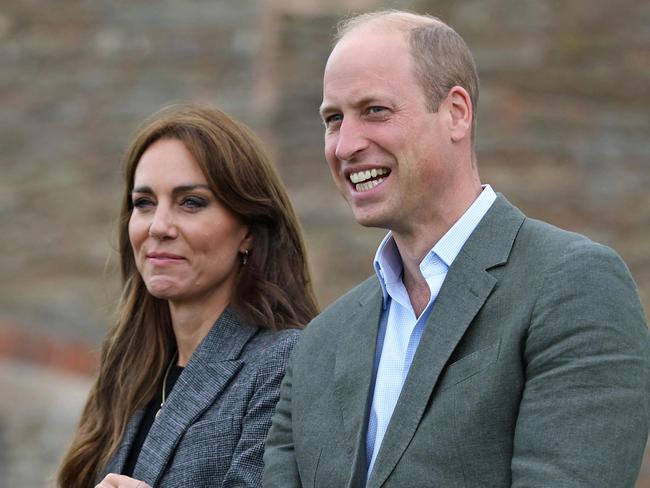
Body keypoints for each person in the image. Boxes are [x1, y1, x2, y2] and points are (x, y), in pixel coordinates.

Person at [263, 10, 650, 487]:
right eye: (333, 119)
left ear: (456, 113)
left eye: (375, 111)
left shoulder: (574, 285)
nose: (345, 145)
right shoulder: (320, 343)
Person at [56, 104, 319, 488]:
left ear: (247, 229)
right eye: (144, 203)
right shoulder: (130, 365)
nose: (158, 226)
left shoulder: (281, 363)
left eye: (191, 202)